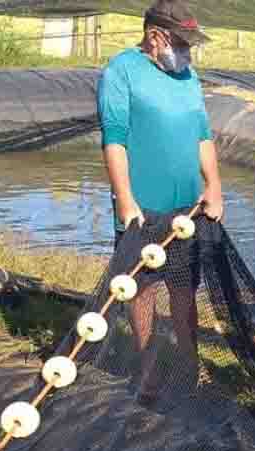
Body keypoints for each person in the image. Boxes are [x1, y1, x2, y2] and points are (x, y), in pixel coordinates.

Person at [96, 0, 223, 401]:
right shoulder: (121, 71)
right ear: (156, 36)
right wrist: (125, 199)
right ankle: (147, 369)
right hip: (143, 205)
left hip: (186, 206)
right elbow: (114, 138)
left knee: (184, 290)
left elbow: (202, 135)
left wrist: (214, 186)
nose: (187, 51)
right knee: (142, 289)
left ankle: (190, 366)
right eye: (182, 43)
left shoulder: (188, 76)